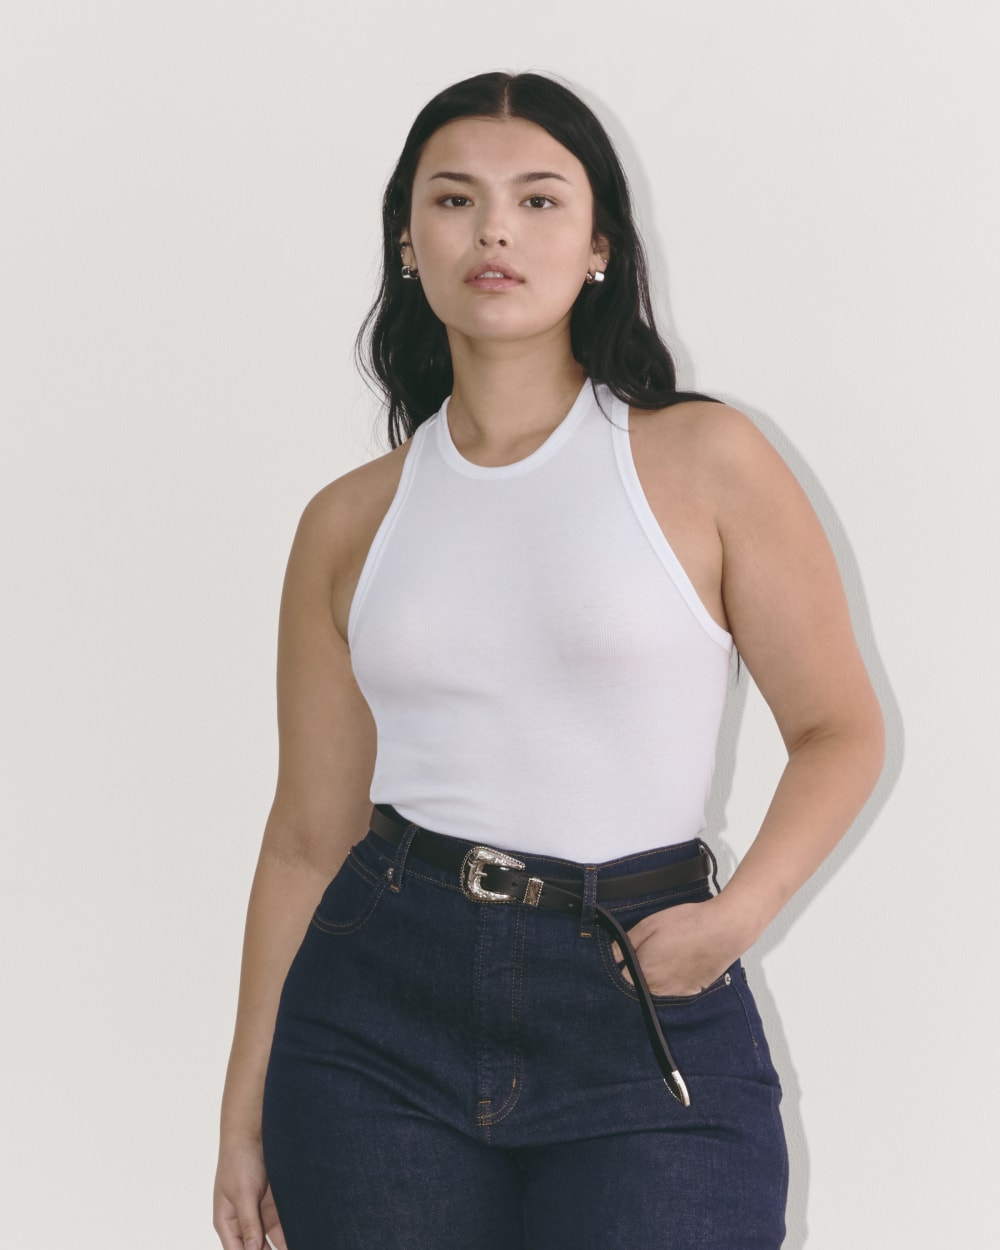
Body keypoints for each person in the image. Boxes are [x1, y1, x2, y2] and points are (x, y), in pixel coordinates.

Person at [212, 71, 884, 1250]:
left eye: (537, 200)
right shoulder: (349, 520)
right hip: (375, 1012)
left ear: (599, 246)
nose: (495, 232)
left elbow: (839, 728)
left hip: (641, 986)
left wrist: (736, 916)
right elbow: (307, 835)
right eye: (454, 200)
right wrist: (242, 1109)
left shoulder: (706, 459)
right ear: (408, 242)